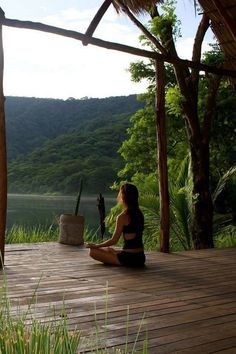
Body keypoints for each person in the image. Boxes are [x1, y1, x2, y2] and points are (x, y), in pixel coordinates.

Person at [85, 183, 145, 267]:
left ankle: (114, 260)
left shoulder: (123, 216)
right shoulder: (139, 214)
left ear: (124, 197)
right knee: (109, 250)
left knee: (93, 251)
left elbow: (114, 240)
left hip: (128, 259)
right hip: (140, 257)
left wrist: (96, 246)